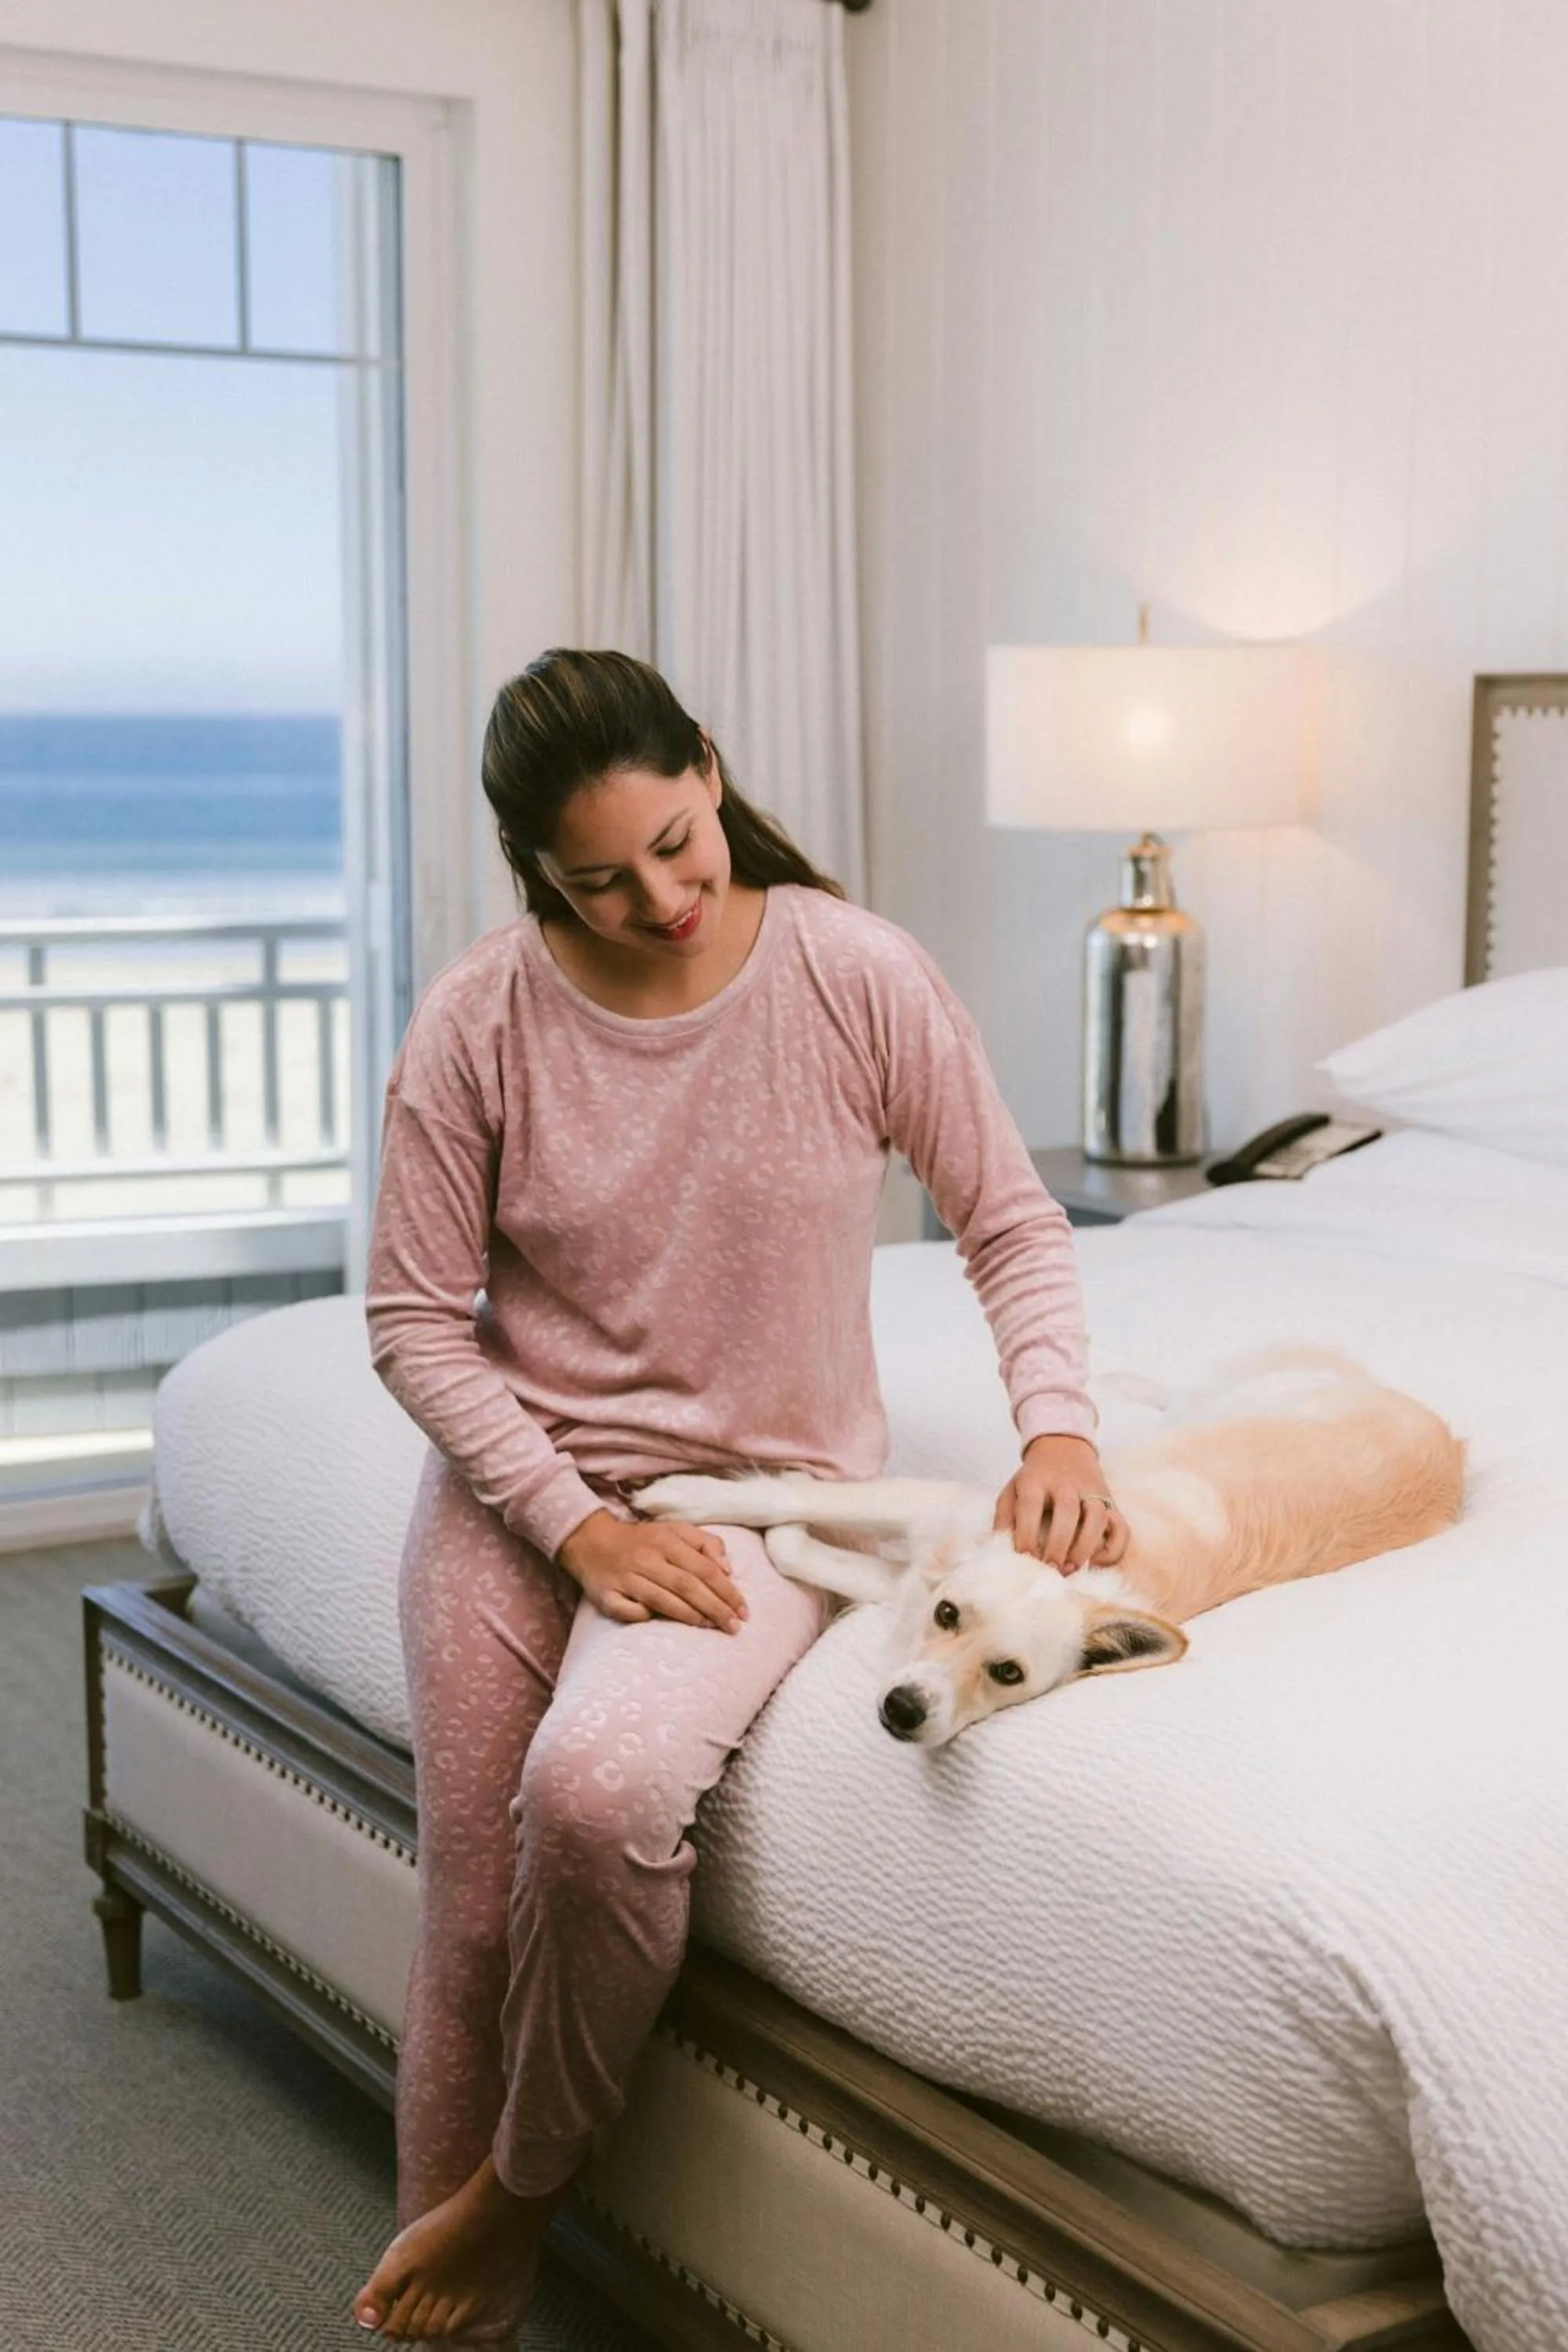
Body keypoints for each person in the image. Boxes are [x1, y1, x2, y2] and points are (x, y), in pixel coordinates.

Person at [350, 647, 1124, 2344]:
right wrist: (574, 1525)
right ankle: (451, 2301)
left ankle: (519, 2196)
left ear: (710, 765)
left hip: (765, 1505)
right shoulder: (479, 1017)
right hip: (521, 1500)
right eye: (599, 882)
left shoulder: (857, 974)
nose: (663, 900)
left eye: (681, 844)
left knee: (598, 1792)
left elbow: (1005, 1215)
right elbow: (412, 1318)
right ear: (532, 876)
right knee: (472, 1904)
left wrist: (1055, 1426)